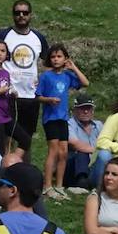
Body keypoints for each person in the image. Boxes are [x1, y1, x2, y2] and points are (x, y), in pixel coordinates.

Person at [0, 0, 48, 160]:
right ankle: (6, 168)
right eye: (17, 12)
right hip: (8, 95)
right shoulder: (3, 35)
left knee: (27, 136)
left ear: (30, 15)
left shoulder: (38, 37)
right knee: (7, 135)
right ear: (13, 15)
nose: (21, 16)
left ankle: (23, 169)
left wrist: (43, 80)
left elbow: (49, 62)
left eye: (25, 12)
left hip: (31, 95)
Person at [35, 44, 89, 200]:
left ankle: (59, 186)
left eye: (59, 56)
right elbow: (38, 97)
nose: (56, 59)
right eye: (53, 57)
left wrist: (74, 67)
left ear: (65, 58)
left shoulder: (67, 75)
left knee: (64, 152)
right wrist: (49, 100)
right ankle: (47, 186)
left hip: (63, 118)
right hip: (50, 118)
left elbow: (85, 83)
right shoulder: (46, 76)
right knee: (53, 151)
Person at [64, 93, 100, 193]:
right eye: (82, 108)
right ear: (75, 110)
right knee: (81, 152)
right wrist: (98, 152)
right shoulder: (69, 124)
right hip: (73, 165)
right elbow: (75, 143)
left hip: (93, 163)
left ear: (92, 111)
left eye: (88, 108)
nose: (85, 111)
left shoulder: (99, 125)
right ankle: (81, 180)